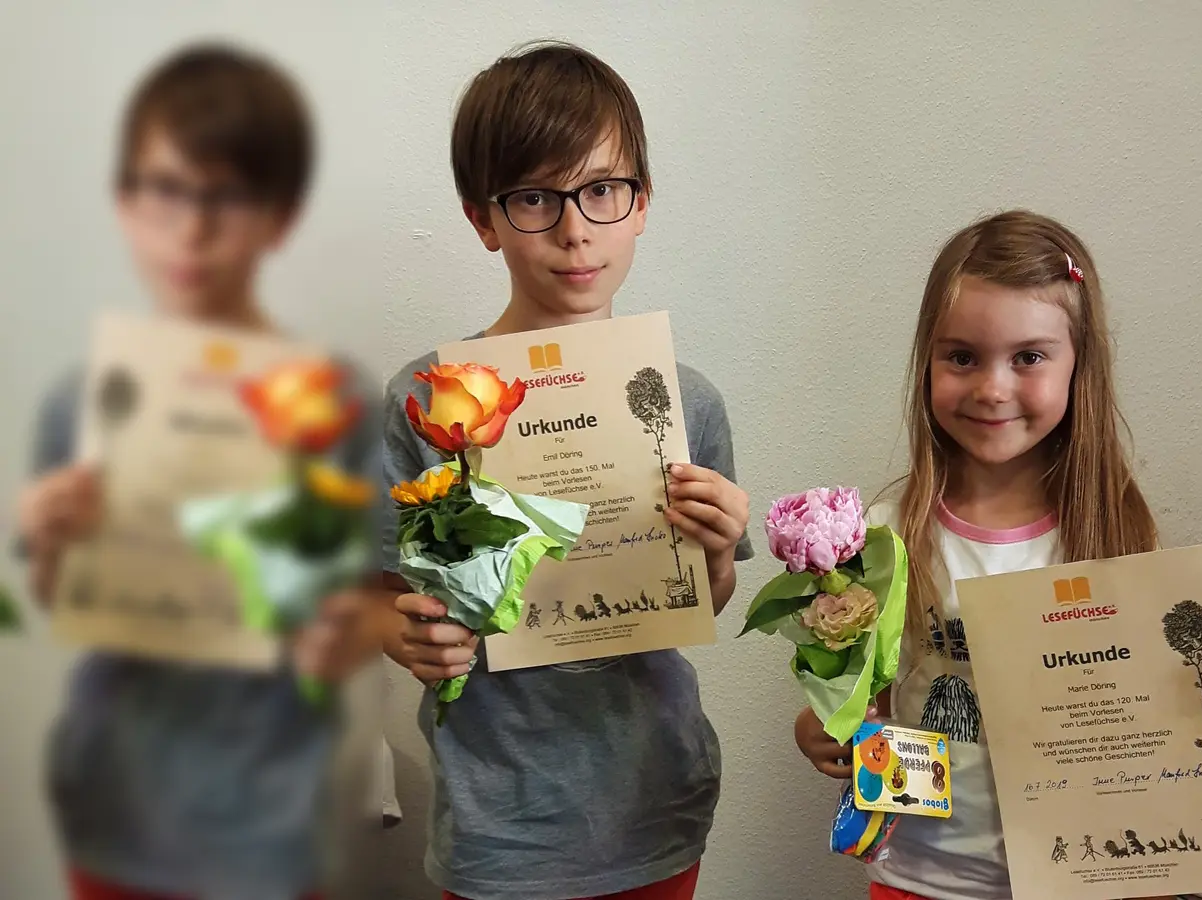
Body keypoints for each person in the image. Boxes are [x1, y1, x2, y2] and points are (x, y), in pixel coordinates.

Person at [376, 41, 753, 900]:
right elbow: (374, 591)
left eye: (602, 191)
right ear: (484, 219)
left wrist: (721, 553)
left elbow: (700, 598)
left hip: (655, 801)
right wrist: (407, 638)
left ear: (641, 203)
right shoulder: (427, 401)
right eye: (536, 199)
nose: (576, 228)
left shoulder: (683, 401)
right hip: (499, 820)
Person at [14, 43, 382, 900]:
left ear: (281, 215)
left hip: (273, 823)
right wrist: (46, 540)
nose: (192, 228)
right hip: (113, 810)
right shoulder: (86, 400)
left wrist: (345, 633)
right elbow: (59, 596)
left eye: (228, 196)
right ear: (123, 199)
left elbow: (375, 604)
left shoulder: (339, 400)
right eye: (165, 189)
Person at [792, 210, 1202, 900]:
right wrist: (822, 726)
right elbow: (859, 701)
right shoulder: (886, 536)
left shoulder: (1114, 537)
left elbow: (1156, 720)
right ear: (927, 361)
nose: (991, 388)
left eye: (1029, 357)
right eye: (961, 356)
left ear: (1080, 368)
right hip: (923, 877)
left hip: (1087, 877)